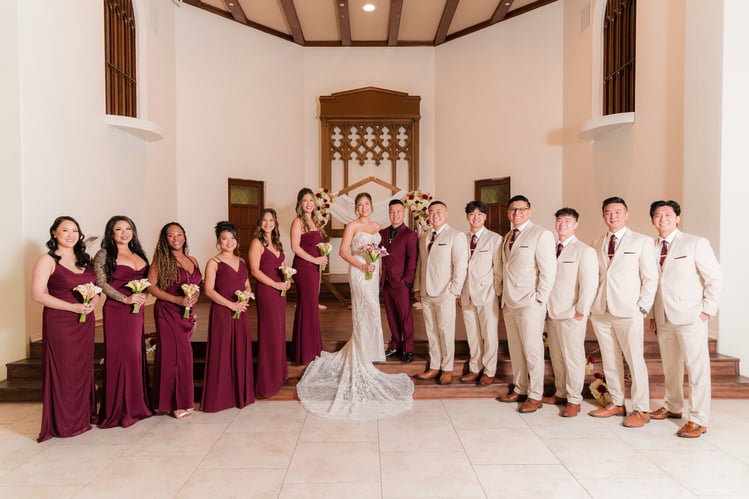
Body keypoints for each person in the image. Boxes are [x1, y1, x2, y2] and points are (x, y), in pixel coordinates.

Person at [296, 192, 414, 420]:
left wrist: (375, 262)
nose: (363, 208)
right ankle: (362, 350)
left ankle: (373, 348)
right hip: (360, 273)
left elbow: (382, 252)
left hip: (374, 271)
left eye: (366, 204)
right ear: (356, 208)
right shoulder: (351, 226)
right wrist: (362, 267)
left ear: (371, 206)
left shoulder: (378, 226)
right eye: (359, 205)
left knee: (374, 310)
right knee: (366, 308)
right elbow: (343, 251)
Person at [648, 200, 722, 438]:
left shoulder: (695, 243)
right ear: (652, 219)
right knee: (671, 366)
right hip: (663, 317)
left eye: (668, 215)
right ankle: (672, 406)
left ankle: (699, 419)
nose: (663, 219)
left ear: (678, 218)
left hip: (691, 316)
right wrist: (652, 315)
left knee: (697, 369)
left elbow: (715, 278)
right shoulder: (651, 246)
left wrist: (706, 311)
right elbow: (653, 284)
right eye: (658, 215)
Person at [589, 197, 658, 427]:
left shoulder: (642, 241)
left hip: (629, 311)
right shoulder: (598, 241)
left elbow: (650, 277)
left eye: (618, 212)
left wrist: (642, 307)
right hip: (601, 310)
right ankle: (617, 403)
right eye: (608, 212)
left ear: (626, 214)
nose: (613, 216)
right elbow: (597, 277)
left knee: (634, 360)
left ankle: (641, 409)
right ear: (603, 216)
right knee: (610, 360)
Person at [31, 216, 98, 442]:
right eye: (65, 230)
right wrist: (73, 306)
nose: (71, 235)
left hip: (85, 321)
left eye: (75, 230)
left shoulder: (85, 259)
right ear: (54, 233)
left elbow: (95, 289)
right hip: (60, 322)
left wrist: (91, 304)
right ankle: (64, 423)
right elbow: (38, 294)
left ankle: (82, 418)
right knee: (65, 370)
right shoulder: (47, 260)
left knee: (82, 368)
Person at [495, 195, 556, 413]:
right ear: (508, 212)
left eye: (522, 209)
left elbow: (548, 271)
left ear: (529, 211)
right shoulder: (507, 236)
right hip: (510, 302)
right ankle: (520, 388)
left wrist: (540, 298)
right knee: (516, 349)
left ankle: (535, 394)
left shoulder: (541, 234)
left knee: (532, 350)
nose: (517, 213)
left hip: (530, 303)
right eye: (513, 209)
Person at [93, 215, 152, 428]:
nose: (125, 232)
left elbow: (147, 281)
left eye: (129, 228)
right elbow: (100, 283)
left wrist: (144, 294)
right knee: (121, 356)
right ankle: (118, 410)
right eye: (119, 229)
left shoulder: (138, 253)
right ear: (111, 233)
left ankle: (137, 405)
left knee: (135, 354)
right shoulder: (104, 254)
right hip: (117, 311)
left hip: (136, 312)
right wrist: (124, 298)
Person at [545, 208, 598, 417]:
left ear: (576, 224)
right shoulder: (550, 249)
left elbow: (589, 284)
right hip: (551, 311)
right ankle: (560, 393)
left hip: (571, 313)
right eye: (559, 220)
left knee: (573, 357)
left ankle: (574, 400)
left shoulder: (584, 251)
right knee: (556, 356)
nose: (562, 224)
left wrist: (580, 311)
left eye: (567, 221)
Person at [147, 222, 201, 419]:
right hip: (167, 310)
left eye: (179, 234)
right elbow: (150, 287)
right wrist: (176, 299)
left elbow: (196, 286)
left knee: (183, 355)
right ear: (165, 239)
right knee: (174, 356)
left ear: (185, 237)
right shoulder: (160, 260)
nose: (176, 238)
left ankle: (182, 400)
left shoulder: (192, 259)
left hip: (185, 312)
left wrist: (194, 299)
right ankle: (175, 404)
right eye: (171, 235)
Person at [200, 221, 255, 412]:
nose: (229, 242)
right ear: (218, 241)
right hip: (223, 313)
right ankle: (220, 398)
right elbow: (208, 290)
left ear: (237, 242)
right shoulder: (213, 263)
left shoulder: (242, 262)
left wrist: (246, 297)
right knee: (222, 352)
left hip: (241, 311)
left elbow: (247, 285)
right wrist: (231, 304)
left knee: (240, 350)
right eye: (225, 238)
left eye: (232, 238)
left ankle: (240, 394)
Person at [413, 201, 468, 385]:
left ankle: (447, 368)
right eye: (431, 212)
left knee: (445, 331)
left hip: (445, 292)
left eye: (438, 211)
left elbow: (461, 265)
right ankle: (434, 366)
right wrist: (417, 288)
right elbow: (421, 263)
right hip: (427, 292)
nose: (435, 215)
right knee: (431, 331)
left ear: (446, 214)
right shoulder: (424, 236)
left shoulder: (456, 235)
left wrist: (454, 290)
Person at [458, 201, 501, 386]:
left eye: (479, 214)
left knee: (489, 334)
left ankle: (489, 370)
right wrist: (459, 293)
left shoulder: (495, 239)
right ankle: (475, 368)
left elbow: (498, 270)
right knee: (472, 334)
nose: (475, 217)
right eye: (471, 214)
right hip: (466, 293)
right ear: (467, 217)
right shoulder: (461, 238)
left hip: (487, 293)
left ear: (485, 217)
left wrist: (497, 293)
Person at [249, 209, 291, 398]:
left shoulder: (277, 243)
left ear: (275, 222)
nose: (268, 223)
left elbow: (281, 266)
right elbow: (255, 271)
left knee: (279, 332)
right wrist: (275, 283)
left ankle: (279, 374)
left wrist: (287, 278)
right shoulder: (257, 243)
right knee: (269, 333)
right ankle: (267, 382)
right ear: (259, 223)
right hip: (267, 291)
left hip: (280, 291)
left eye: (271, 220)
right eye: (264, 220)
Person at [290, 187, 328, 365]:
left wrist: (323, 256)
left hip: (314, 266)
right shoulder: (297, 222)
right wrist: (315, 259)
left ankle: (313, 347)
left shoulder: (314, 222)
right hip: (304, 267)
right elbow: (295, 248)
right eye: (305, 200)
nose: (308, 203)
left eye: (311, 200)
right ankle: (303, 351)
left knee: (312, 306)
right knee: (307, 305)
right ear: (299, 204)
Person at [380, 199, 418, 363]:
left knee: (405, 317)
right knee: (391, 316)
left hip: (401, 284)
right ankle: (396, 346)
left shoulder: (410, 235)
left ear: (403, 213)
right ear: (389, 213)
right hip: (386, 282)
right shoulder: (382, 233)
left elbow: (412, 260)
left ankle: (408, 349)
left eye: (398, 211)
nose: (394, 214)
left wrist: (406, 282)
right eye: (392, 211)